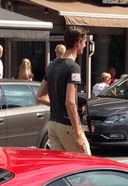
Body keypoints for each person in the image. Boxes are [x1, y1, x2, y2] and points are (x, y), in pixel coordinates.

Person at [36, 26, 91, 155]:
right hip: (67, 125)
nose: (84, 45)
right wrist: (78, 134)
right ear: (78, 42)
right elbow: (70, 103)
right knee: (86, 166)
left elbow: (39, 97)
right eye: (84, 42)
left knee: (64, 168)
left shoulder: (52, 65)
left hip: (53, 125)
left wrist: (56, 103)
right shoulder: (73, 67)